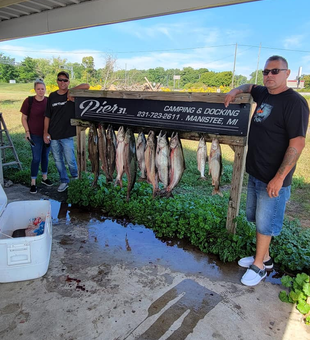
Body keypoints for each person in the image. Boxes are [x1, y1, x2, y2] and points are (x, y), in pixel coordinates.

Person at [224, 55, 309, 287]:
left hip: (274, 178)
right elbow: (249, 87)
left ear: (287, 73)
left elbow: (297, 143)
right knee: (256, 218)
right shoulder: (263, 93)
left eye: (275, 71)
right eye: (266, 71)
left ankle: (259, 266)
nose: (269, 75)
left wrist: (279, 177)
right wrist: (235, 90)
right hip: (256, 172)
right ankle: (265, 258)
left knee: (265, 223)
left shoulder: (295, 103)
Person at [43, 71, 89, 192]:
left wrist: (70, 91)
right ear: (57, 81)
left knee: (70, 159)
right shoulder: (52, 96)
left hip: (67, 134)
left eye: (65, 80)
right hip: (53, 134)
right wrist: (45, 132)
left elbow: (87, 85)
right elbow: (47, 116)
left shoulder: (73, 94)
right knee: (58, 160)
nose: (62, 82)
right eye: (60, 80)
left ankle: (75, 177)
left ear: (68, 82)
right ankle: (64, 180)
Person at [21, 78, 52, 194]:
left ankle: (44, 178)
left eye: (42, 89)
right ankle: (33, 182)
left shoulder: (49, 101)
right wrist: (27, 131)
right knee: (36, 158)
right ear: (35, 89)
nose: (40, 91)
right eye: (38, 89)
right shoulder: (29, 101)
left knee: (45, 156)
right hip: (34, 134)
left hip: (47, 134)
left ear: (45, 89)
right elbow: (24, 118)